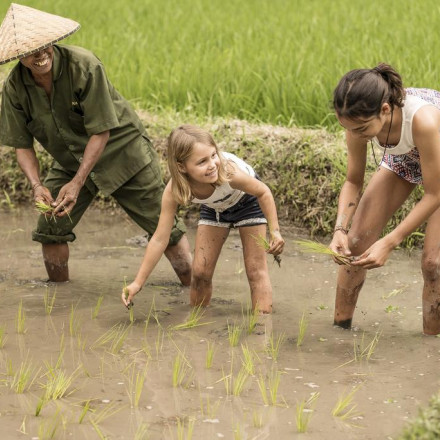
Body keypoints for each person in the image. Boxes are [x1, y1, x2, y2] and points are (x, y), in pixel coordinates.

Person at [0, 3, 192, 285]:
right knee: (50, 228)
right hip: (71, 160)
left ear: (53, 41)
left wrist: (78, 183)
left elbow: (101, 132)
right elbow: (22, 145)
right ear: (19, 56)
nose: (39, 55)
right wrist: (37, 185)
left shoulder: (83, 66)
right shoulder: (14, 88)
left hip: (123, 153)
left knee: (165, 229)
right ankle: (59, 295)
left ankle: (195, 291)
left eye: (44, 46)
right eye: (29, 52)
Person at [121, 125, 284, 313]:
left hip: (248, 202)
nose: (212, 165)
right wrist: (137, 283)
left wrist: (275, 231)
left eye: (214, 155)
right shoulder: (175, 190)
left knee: (255, 271)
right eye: (202, 162)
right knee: (200, 273)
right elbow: (159, 238)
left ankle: (260, 330)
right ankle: (197, 323)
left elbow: (263, 191)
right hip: (215, 208)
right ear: (182, 166)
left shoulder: (228, 171)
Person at [330, 63, 440, 335]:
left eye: (362, 129)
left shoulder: (424, 121)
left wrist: (390, 241)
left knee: (434, 263)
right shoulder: (356, 121)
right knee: (354, 245)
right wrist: (339, 230)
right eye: (349, 128)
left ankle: (431, 344)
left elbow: (434, 193)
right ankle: (339, 333)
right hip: (404, 155)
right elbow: (353, 180)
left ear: (386, 110)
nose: (355, 135)